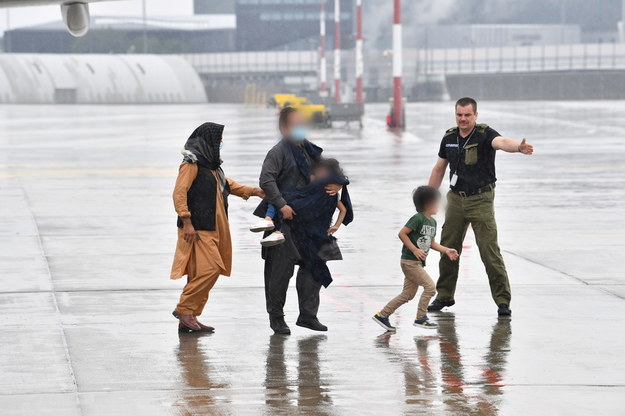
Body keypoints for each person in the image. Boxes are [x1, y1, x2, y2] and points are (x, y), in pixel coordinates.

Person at [427, 97, 534, 317]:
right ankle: (444, 296)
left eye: (467, 115)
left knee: (489, 251)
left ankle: (503, 301)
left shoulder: (485, 134)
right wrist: (428, 198)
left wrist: (519, 147)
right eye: (459, 115)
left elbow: (501, 143)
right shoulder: (448, 137)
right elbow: (439, 169)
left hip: (481, 199)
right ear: (455, 114)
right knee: (448, 248)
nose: (463, 119)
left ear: (476, 115)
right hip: (456, 199)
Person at [257, 107, 345, 335]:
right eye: (295, 125)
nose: (300, 129)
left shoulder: (310, 151)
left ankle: (308, 315)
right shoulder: (278, 152)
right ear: (284, 128)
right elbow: (266, 180)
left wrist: (338, 184)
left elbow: (331, 170)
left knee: (313, 267)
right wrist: (281, 205)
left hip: (308, 223)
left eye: (302, 124)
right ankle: (276, 317)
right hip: (284, 219)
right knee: (279, 271)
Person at [170, 122, 264, 333]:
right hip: (198, 228)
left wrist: (254, 191)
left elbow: (226, 185)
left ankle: (190, 316)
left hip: (214, 226)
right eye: (218, 140)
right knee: (210, 269)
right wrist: (186, 221)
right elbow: (179, 193)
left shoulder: (211, 166)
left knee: (198, 273)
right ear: (208, 141)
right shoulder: (191, 164)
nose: (221, 143)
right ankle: (184, 309)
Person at [372, 186, 459, 332]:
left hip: (417, 263)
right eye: (436, 202)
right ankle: (421, 318)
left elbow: (431, 243)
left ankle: (383, 315)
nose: (438, 205)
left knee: (408, 295)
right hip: (409, 262)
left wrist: (446, 250)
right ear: (428, 203)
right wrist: (414, 249)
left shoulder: (432, 222)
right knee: (430, 288)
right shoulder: (417, 219)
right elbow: (402, 234)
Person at [250, 158, 349, 247]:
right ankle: (271, 223)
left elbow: (343, 209)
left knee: (279, 200)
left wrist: (336, 226)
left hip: (307, 219)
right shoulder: (315, 187)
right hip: (302, 216)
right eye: (317, 172)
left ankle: (276, 229)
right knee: (277, 198)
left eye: (321, 172)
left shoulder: (329, 191)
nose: (317, 174)